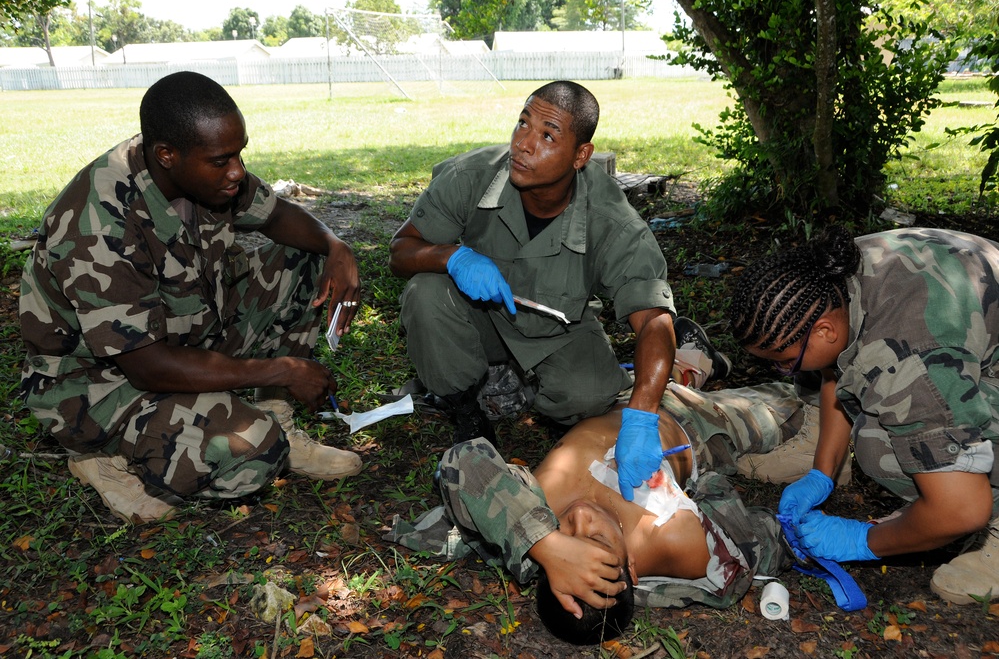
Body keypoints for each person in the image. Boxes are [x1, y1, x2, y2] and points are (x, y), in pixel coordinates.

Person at [19, 71, 363, 525]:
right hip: (98, 384)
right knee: (255, 451)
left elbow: (277, 214)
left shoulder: (198, 170)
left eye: (239, 154)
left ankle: (275, 410)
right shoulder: (99, 223)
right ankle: (100, 457)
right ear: (167, 155)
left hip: (185, 337)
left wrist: (336, 246)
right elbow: (147, 366)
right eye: (223, 160)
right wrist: (284, 368)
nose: (238, 171)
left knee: (310, 259)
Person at [388, 80, 729, 501]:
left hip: (559, 330)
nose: (523, 144)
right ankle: (467, 412)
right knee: (425, 294)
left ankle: (689, 362)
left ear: (580, 156)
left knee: (588, 397)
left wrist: (641, 419)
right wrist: (451, 258)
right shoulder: (471, 176)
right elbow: (401, 251)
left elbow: (654, 321)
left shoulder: (612, 221)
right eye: (522, 124)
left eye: (548, 135)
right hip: (480, 317)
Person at [386, 380, 812, 643]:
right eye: (595, 542)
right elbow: (753, 541)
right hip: (698, 427)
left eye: (566, 543)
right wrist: (689, 492)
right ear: (630, 562)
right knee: (789, 399)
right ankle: (698, 366)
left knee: (666, 366)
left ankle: (692, 359)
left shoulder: (529, 510)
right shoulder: (676, 541)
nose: (580, 520)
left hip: (627, 392)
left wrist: (543, 542)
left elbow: (462, 459)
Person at [728, 226, 999, 605]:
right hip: (974, 353)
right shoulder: (836, 275)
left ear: (824, 330)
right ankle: (942, 480)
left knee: (878, 447)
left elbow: (963, 511)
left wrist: (861, 541)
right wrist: (822, 473)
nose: (784, 372)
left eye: (786, 363)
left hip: (938, 361)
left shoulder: (910, 363)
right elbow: (837, 368)